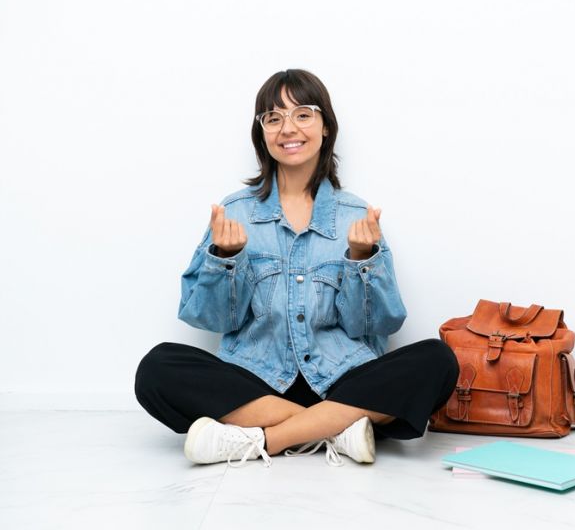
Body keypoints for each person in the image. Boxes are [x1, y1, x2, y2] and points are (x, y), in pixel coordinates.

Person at [135, 69, 459, 468]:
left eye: (303, 114)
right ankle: (337, 429)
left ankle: (264, 439)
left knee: (438, 360)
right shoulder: (235, 211)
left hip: (342, 380)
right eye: (273, 118)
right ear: (262, 133)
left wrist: (361, 258)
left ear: (326, 127)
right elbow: (208, 318)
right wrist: (225, 258)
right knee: (157, 368)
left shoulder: (355, 214)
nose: (288, 128)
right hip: (258, 386)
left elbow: (379, 324)